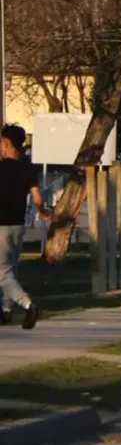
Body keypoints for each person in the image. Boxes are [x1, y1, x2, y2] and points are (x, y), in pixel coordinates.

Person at [0, 124, 43, 327]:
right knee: (12, 269)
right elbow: (37, 198)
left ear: (7, 143)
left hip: (0, 227)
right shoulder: (28, 168)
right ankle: (6, 311)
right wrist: (43, 212)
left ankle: (28, 305)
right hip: (18, 226)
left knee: (3, 274)